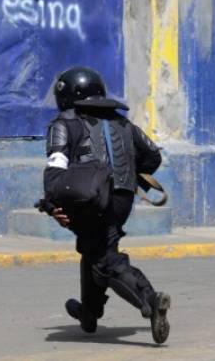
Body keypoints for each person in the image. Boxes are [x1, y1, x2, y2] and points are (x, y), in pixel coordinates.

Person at [40, 66, 171, 344]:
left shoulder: (63, 124)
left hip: (88, 201)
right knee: (94, 249)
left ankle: (151, 301)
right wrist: (130, 175)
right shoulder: (124, 124)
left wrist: (52, 204)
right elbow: (152, 156)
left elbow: (56, 166)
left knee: (105, 261)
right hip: (122, 199)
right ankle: (89, 315)